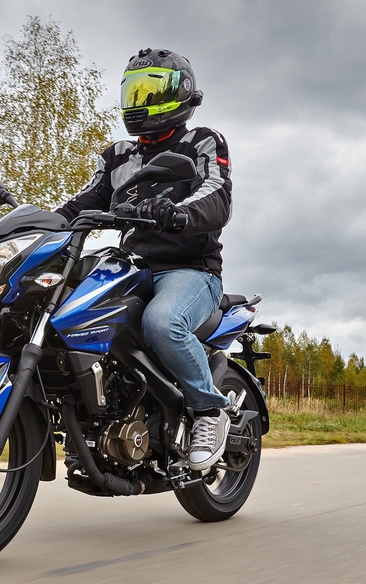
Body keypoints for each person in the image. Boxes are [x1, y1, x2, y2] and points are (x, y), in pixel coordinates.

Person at [55, 48, 233, 471]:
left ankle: (209, 411)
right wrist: (42, 223)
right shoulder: (117, 155)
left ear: (180, 94)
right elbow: (84, 202)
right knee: (65, 311)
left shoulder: (202, 141)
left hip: (190, 270)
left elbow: (217, 194)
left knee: (161, 321)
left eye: (150, 91)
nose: (139, 102)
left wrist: (179, 214)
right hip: (131, 266)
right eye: (133, 91)